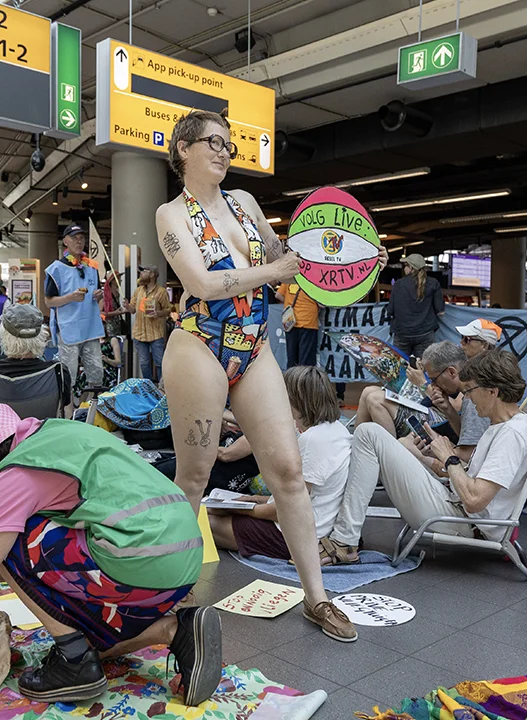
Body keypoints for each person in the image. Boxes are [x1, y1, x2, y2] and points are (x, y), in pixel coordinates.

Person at [155, 110, 388, 643]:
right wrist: (275, 272)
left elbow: (290, 258)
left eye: (229, 145)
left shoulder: (245, 203)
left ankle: (317, 598)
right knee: (193, 477)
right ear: (184, 149)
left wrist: (355, 261)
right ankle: (170, 592)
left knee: (287, 471)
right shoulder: (172, 214)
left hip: (254, 343)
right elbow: (201, 283)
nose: (224, 152)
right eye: (213, 142)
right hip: (200, 344)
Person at [0, 404, 222, 705]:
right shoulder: (59, 433)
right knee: (87, 626)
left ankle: (73, 657)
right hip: (182, 562)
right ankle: (174, 630)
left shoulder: (14, 473)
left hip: (139, 561)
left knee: (11, 539)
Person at [319, 348, 527, 564]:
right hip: (457, 507)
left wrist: (449, 457)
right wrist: (432, 455)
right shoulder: (510, 425)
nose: (468, 398)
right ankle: (344, 536)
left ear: (493, 391)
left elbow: (474, 501)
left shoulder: (512, 434)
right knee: (392, 441)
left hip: (462, 520)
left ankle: (344, 540)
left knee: (368, 434)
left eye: (470, 390)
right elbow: (474, 479)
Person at [208, 366, 350, 560]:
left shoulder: (313, 439)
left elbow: (292, 508)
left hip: (296, 536)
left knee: (205, 521)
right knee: (216, 511)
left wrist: (243, 510)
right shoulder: (337, 430)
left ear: (295, 399)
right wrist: (253, 501)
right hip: (315, 527)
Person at [354, 341, 491, 449]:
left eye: (468, 339)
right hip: (437, 414)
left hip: (441, 424)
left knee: (375, 400)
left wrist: (423, 383)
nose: (462, 342)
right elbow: (463, 433)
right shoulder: (467, 384)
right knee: (368, 391)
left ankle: (388, 457)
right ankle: (357, 449)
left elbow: (469, 452)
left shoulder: (472, 393)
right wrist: (446, 407)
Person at [45, 225, 104, 399]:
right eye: (74, 238)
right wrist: (70, 297)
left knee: (97, 373)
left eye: (82, 238)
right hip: (68, 329)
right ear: (65, 241)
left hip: (91, 328)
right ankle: (67, 411)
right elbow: (48, 301)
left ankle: (90, 408)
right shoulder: (56, 269)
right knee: (68, 375)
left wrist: (98, 295)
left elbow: (96, 294)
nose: (79, 241)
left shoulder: (92, 267)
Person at [388, 253, 445, 359]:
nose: (404, 268)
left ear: (411, 268)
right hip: (425, 333)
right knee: (425, 366)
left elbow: (390, 311)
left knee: (400, 366)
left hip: (402, 333)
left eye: (406, 265)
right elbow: (441, 312)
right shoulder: (433, 283)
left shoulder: (399, 284)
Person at [125, 266, 172, 382]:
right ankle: (148, 386)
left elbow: (168, 309)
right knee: (144, 363)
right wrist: (127, 305)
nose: (141, 273)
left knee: (159, 362)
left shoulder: (161, 292)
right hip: (139, 333)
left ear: (152, 274)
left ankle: (162, 387)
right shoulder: (138, 291)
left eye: (144, 271)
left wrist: (158, 313)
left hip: (155, 333)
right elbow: (132, 310)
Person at [276, 281, 321, 368]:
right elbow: (321, 304)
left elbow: (278, 295)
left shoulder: (290, 279)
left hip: (290, 322)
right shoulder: (314, 281)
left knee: (292, 358)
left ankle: (291, 376)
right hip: (308, 322)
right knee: (306, 361)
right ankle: (304, 377)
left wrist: (289, 303)